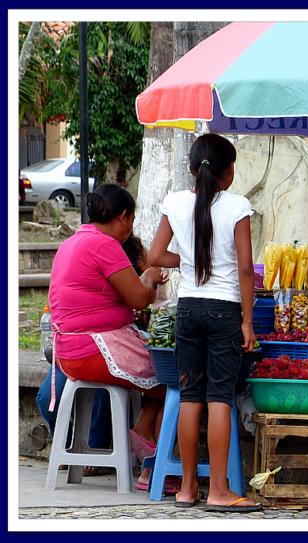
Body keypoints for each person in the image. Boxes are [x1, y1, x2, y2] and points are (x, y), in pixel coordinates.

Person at [149, 133, 261, 512]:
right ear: (228, 172)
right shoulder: (237, 206)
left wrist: (186, 260)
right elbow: (245, 269)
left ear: (192, 168)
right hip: (224, 311)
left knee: (190, 396)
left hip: (188, 310)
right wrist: (248, 321)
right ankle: (218, 490)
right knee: (219, 399)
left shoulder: (175, 202)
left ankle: (186, 488)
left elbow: (154, 255)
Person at [48, 184, 178, 493]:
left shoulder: (72, 242)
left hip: (68, 350)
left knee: (166, 371)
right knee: (176, 375)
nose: (131, 228)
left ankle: (143, 431)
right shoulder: (104, 245)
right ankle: (156, 466)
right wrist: (149, 277)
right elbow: (139, 299)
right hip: (94, 347)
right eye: (131, 220)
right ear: (122, 217)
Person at [35, 233, 151, 468]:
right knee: (47, 397)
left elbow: (144, 299)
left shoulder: (128, 252)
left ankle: (96, 446)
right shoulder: (81, 253)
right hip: (76, 343)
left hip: (116, 341)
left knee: (105, 390)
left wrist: (144, 301)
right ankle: (69, 445)